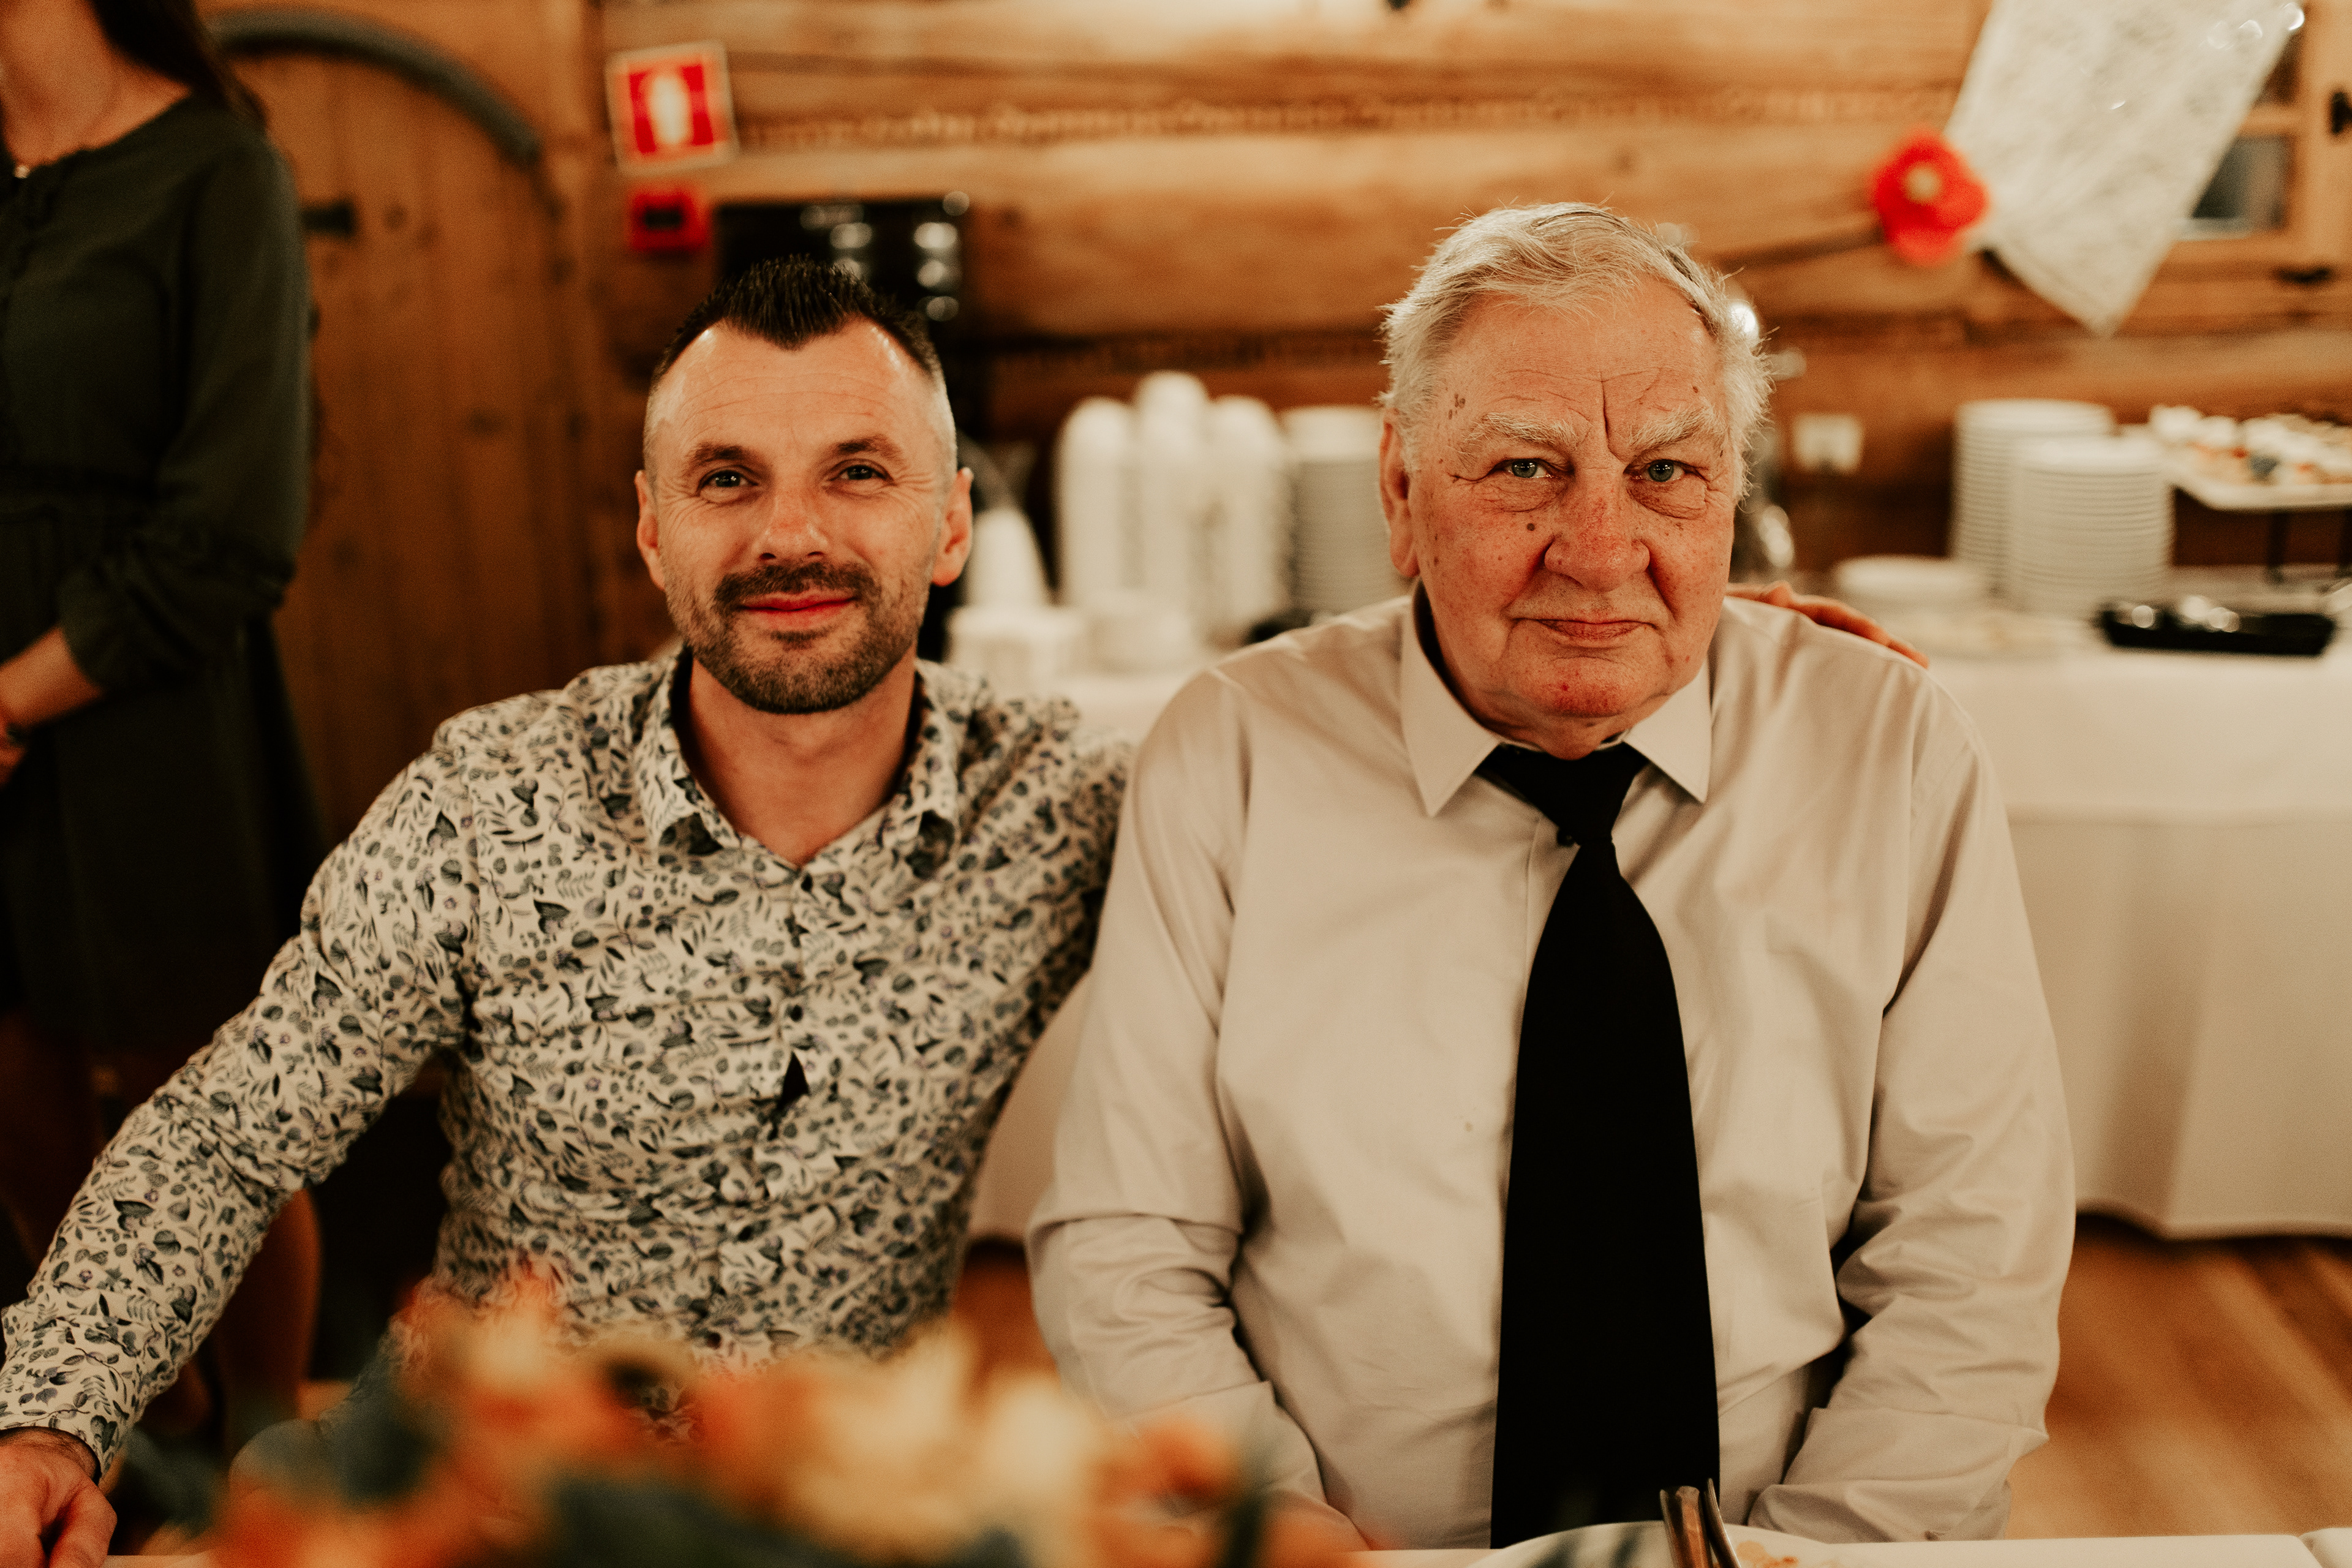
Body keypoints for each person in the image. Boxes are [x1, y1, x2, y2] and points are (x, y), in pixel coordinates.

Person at [0, 257, 1131, 1566]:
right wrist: (48, 1422)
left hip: (822, 1511)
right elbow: (226, 1135)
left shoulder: (1057, 807)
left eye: (858, 472)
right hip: (480, 1499)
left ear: (952, 525)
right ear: (653, 529)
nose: (791, 536)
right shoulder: (492, 801)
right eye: (728, 478)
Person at [1028, 205, 2072, 1550]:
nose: (1599, 549)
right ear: (1401, 491)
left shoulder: (1889, 748)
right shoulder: (1233, 756)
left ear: (1730, 496)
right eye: (1525, 469)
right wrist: (1281, 1534)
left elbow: (1972, 1253)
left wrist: (1823, 1553)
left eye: (1667, 472)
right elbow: (1129, 1242)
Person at [0, 0, 323, 1472]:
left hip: (147, 710)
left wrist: (17, 694)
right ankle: (146, 1409)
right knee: (17, 1087)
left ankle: (269, 1449)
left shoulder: (216, 174)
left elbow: (239, 519)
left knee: (207, 1106)